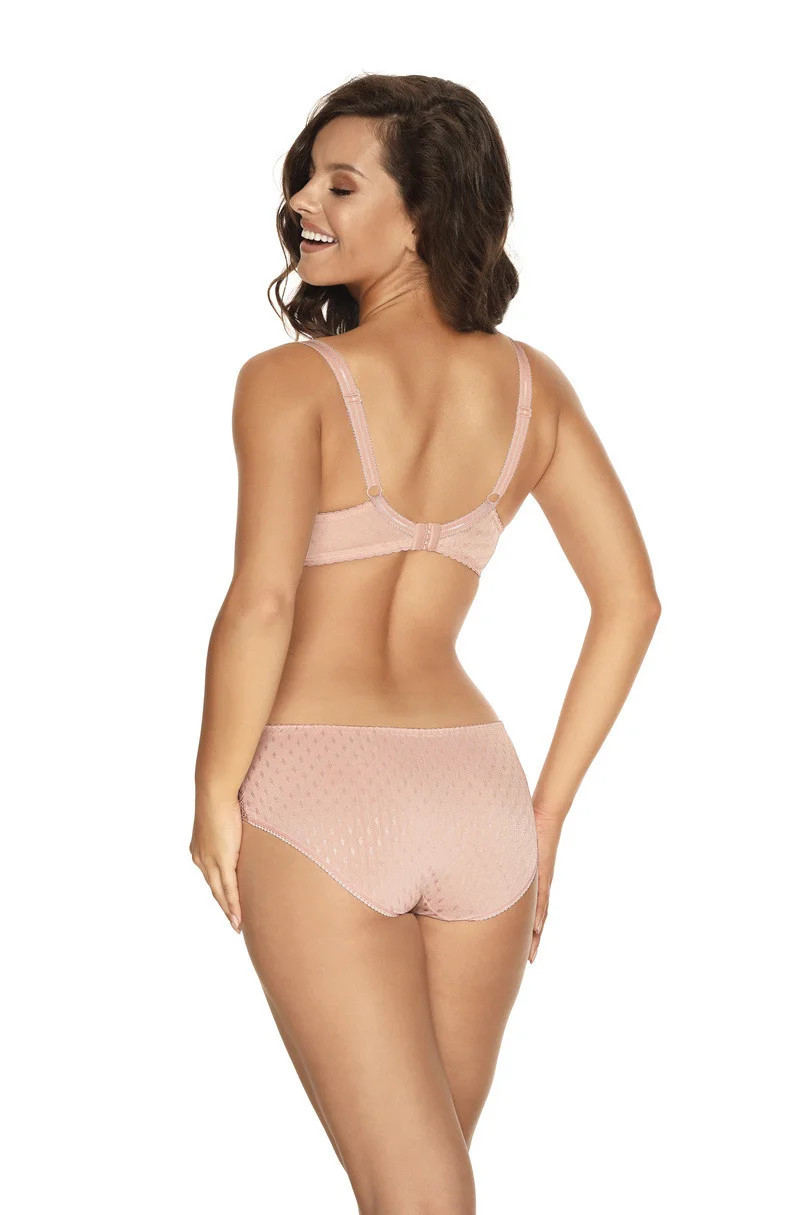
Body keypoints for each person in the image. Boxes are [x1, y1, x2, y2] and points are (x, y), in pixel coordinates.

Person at [190, 73, 661, 1215]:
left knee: (415, 1195)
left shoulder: (288, 383)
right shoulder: (532, 387)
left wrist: (212, 788)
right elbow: (632, 601)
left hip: (319, 784)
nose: (304, 202)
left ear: (423, 215)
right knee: (425, 1187)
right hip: (481, 797)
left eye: (342, 185)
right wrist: (546, 816)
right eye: (306, 178)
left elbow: (261, 604)